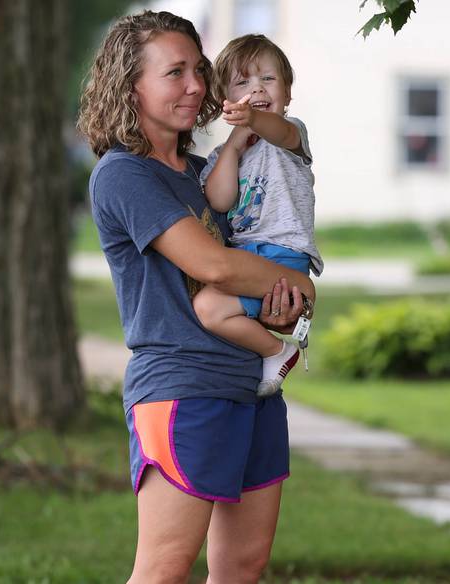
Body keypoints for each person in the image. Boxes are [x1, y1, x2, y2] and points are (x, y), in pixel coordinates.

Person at [77, 11, 315, 583]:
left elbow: (265, 250)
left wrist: (285, 300)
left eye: (199, 71)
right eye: (174, 72)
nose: (194, 86)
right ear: (130, 84)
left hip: (254, 384)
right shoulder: (125, 175)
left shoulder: (206, 173)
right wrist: (301, 285)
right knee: (164, 569)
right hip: (183, 387)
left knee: (242, 567)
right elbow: (212, 265)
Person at [193, 34, 323, 397]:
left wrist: (254, 119)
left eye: (268, 79)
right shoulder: (223, 155)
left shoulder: (291, 135)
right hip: (243, 256)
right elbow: (219, 201)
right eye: (243, 82)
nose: (257, 89)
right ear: (226, 101)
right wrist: (234, 145)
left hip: (284, 253)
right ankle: (277, 349)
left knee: (207, 307)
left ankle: (275, 351)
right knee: (207, 308)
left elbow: (277, 129)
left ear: (288, 92)